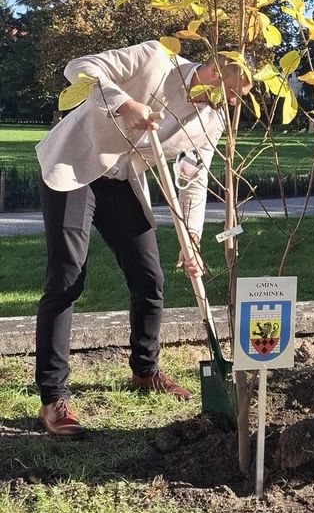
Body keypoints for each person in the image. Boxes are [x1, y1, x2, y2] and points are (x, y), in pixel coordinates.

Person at [34, 40, 252, 438]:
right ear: (213, 72)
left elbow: (193, 181)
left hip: (121, 182)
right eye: (234, 90)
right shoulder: (155, 58)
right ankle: (52, 399)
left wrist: (192, 239)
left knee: (150, 279)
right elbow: (78, 66)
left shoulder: (210, 121)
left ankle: (145, 371)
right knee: (67, 277)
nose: (234, 102)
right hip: (75, 165)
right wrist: (122, 103)